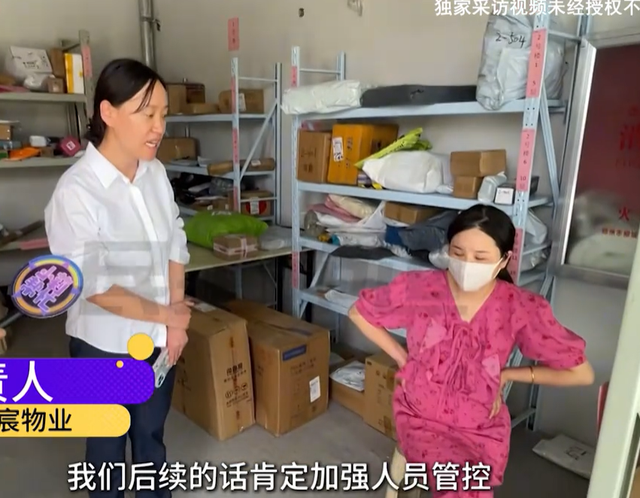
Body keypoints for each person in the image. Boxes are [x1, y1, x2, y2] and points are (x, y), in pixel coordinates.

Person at [348, 204, 594, 498]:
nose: (467, 264)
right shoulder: (420, 288)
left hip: (480, 426)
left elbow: (581, 373)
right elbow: (359, 313)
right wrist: (403, 358)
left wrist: (508, 375)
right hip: (421, 416)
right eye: (458, 253)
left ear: (504, 260)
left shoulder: (519, 307)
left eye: (480, 258)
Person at [44, 58, 192, 498]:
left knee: (150, 440)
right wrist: (170, 315)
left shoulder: (155, 173)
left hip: (158, 341)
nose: (158, 127)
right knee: (106, 451)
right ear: (107, 113)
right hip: (101, 346)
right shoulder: (76, 192)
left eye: (163, 114)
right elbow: (95, 287)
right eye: (147, 113)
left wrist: (175, 318)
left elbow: (175, 241)